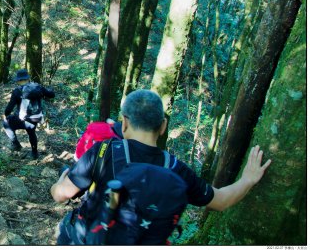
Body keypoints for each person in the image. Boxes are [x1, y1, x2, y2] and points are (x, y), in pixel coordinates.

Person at [50, 89, 271, 245]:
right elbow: (221, 201)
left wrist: (58, 184)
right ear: (163, 126)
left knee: (66, 227)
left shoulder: (103, 151)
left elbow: (62, 195)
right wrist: (248, 179)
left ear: (124, 123)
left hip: (91, 239)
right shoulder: (176, 169)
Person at [2, 69, 55, 160]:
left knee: (6, 122)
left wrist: (5, 115)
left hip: (24, 119)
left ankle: (16, 144)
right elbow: (51, 95)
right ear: (28, 78)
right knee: (31, 132)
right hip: (36, 118)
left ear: (18, 80)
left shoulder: (17, 91)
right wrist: (50, 90)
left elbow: (9, 108)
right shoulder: (38, 87)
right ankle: (34, 153)